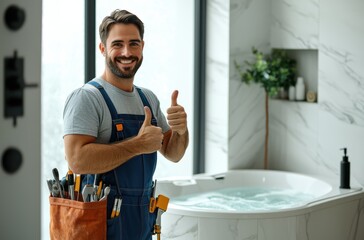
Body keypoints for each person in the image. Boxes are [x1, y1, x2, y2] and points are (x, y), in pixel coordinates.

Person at [63, 9, 189, 239]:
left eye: (134, 44)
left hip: (141, 223)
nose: (126, 52)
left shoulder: (148, 98)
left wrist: (181, 130)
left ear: (142, 47)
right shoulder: (87, 97)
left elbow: (174, 153)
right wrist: (138, 145)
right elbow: (77, 161)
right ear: (102, 48)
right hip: (100, 225)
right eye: (117, 44)